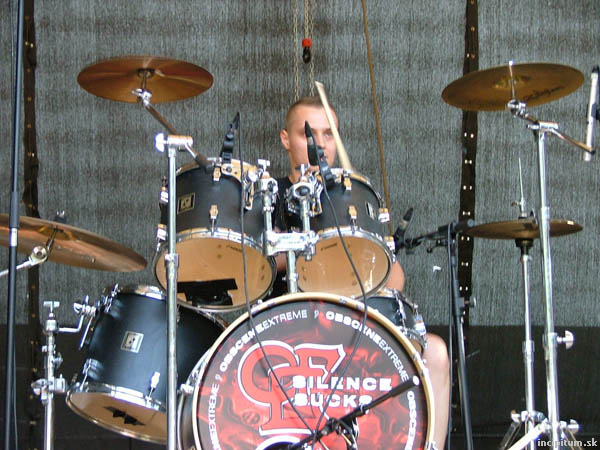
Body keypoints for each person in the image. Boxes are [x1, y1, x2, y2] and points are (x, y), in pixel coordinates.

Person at [274, 96, 450, 448]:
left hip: (352, 326)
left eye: (329, 134)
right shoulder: (270, 195)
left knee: (435, 352)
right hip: (289, 331)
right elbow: (253, 265)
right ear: (286, 139)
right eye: (308, 133)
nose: (320, 144)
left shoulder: (349, 197)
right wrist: (304, 246)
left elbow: (394, 277)